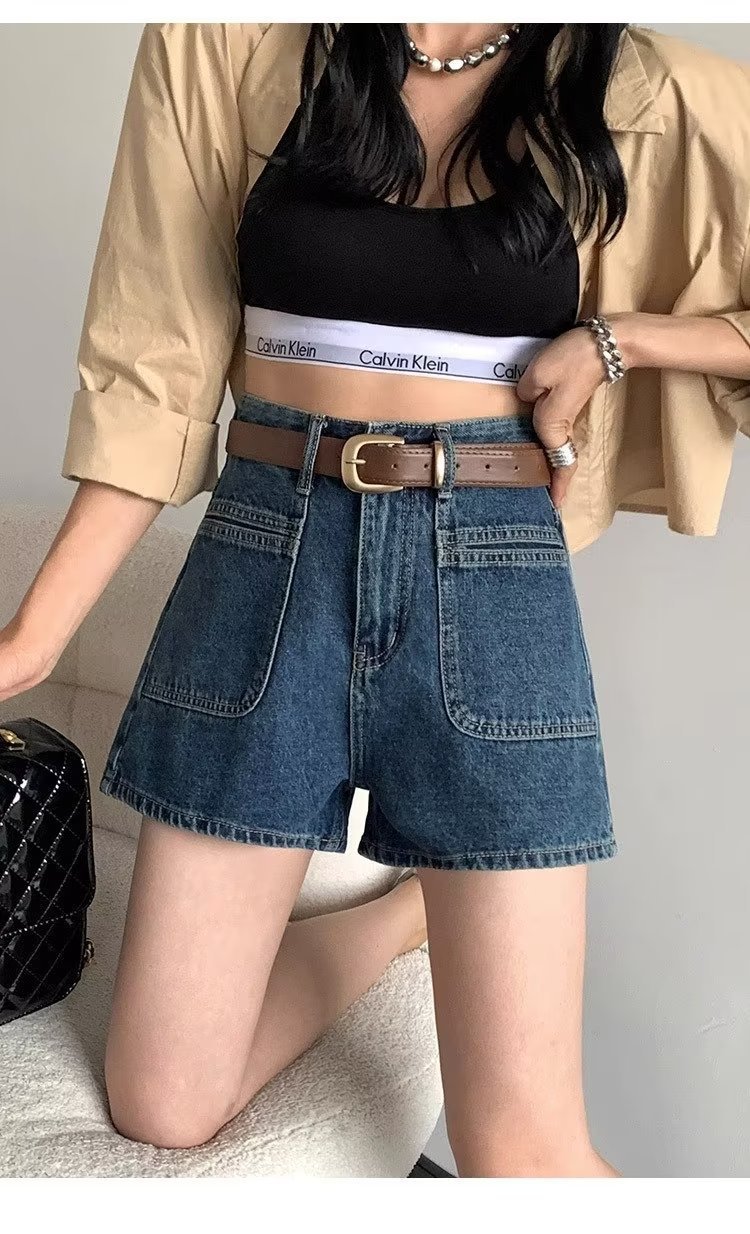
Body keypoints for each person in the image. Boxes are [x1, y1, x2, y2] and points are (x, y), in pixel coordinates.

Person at [1, 23, 749, 1178]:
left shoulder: (645, 82)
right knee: (163, 1100)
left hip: (489, 568)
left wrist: (622, 341)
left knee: (519, 1148)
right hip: (265, 550)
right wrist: (32, 637)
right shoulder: (222, 40)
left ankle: (429, 899)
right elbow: (153, 371)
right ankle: (403, 915)